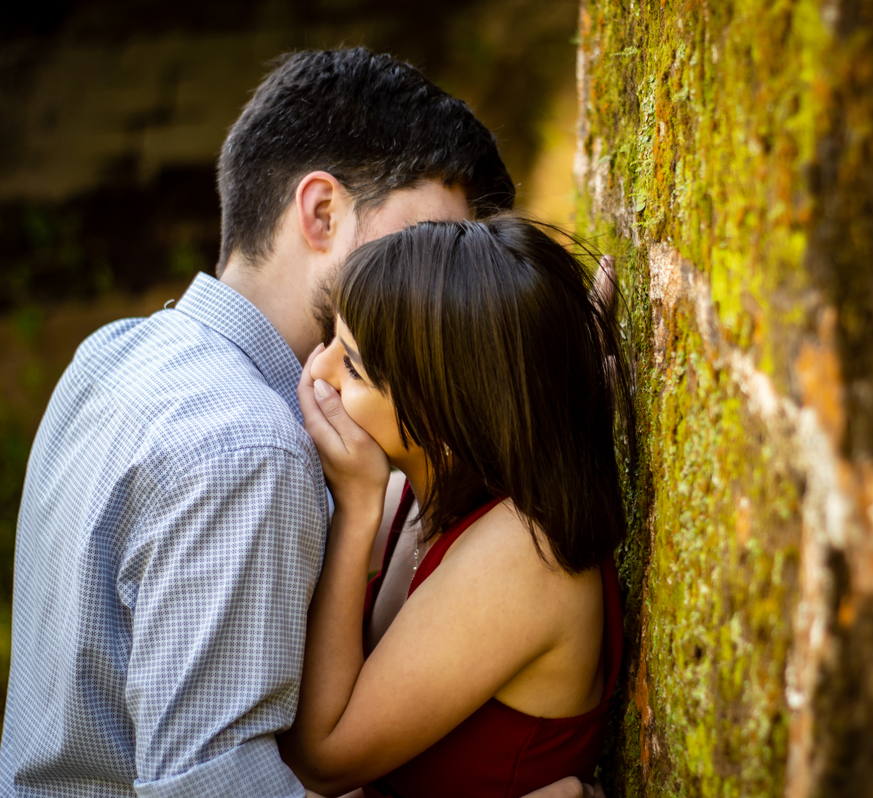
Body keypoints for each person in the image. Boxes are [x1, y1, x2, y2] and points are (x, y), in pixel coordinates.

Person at [0, 48, 592, 798]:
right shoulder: (253, 448)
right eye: (422, 243)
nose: (440, 283)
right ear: (321, 213)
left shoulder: (113, 354)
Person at [277, 216, 634, 798]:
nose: (317, 369)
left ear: (449, 411)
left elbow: (319, 760)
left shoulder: (524, 554)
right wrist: (559, 366)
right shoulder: (421, 497)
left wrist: (357, 509)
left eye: (354, 366)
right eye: (332, 339)